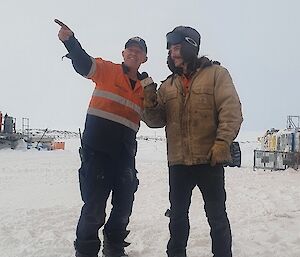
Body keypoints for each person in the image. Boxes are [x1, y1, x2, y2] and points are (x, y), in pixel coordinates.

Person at [55, 19, 153, 257]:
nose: (133, 52)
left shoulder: (145, 89)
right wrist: (71, 41)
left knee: (123, 208)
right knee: (94, 208)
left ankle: (114, 246)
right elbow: (83, 64)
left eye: (138, 50)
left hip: (125, 155)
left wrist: (151, 89)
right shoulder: (107, 70)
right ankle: (86, 251)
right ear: (123, 53)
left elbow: (155, 117)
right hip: (97, 151)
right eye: (130, 48)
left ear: (144, 58)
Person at [142, 26, 243, 257]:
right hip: (178, 162)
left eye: (177, 48)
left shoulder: (216, 74)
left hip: (210, 159)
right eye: (170, 49)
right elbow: (156, 122)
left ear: (191, 47)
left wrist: (222, 142)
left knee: (217, 217)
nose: (172, 53)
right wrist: (149, 101)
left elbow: (231, 110)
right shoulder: (167, 86)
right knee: (177, 217)